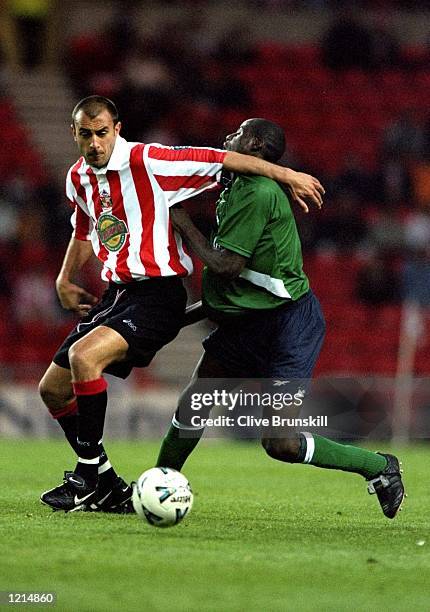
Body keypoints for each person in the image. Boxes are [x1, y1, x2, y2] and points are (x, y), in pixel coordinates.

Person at [39, 96, 324, 514]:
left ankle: (86, 476)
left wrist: (288, 175)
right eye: (87, 134)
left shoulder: (151, 161)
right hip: (117, 295)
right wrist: (65, 277)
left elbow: (224, 159)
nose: (96, 143)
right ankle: (105, 481)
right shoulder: (78, 178)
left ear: (117, 128)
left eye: (102, 133)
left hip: (157, 293)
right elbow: (84, 228)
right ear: (74, 134)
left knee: (85, 358)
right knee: (52, 390)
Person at [156, 118, 405, 520]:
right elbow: (236, 288)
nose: (227, 137)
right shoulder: (234, 183)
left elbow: (228, 266)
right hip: (245, 322)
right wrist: (174, 323)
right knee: (195, 404)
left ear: (254, 144)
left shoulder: (258, 193)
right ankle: (158, 481)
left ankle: (380, 467)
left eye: (236, 133)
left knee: (281, 443)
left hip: (286, 327)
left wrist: (181, 222)